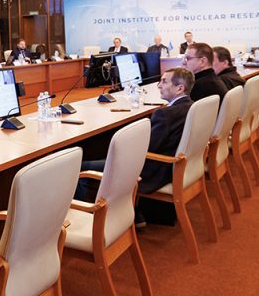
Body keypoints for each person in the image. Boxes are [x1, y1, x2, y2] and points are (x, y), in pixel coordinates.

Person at [75, 68, 195, 224]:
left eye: (164, 82)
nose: (159, 85)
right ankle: (131, 212)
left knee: (82, 167)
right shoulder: (191, 106)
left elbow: (147, 148)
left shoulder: (165, 114)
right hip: (172, 167)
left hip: (152, 171)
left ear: (180, 88)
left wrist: (120, 148)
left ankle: (86, 220)